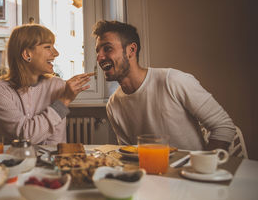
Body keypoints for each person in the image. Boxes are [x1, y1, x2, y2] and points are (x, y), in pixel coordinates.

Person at [93, 20, 235, 151]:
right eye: (97, 51)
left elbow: (223, 126)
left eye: (107, 48)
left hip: (190, 176)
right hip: (149, 176)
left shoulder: (173, 80)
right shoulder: (113, 105)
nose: (99, 57)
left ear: (131, 50)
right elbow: (129, 154)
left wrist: (204, 169)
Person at [0, 24, 94, 145]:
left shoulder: (57, 85)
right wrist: (64, 101)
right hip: (10, 162)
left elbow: (55, 143)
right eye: (48, 47)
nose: (56, 53)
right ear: (27, 55)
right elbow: (25, 137)